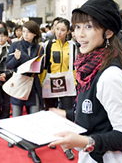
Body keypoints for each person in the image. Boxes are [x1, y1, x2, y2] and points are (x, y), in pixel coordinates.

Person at [49, 0, 122, 163]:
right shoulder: (88, 67)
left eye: (88, 26)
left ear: (108, 32)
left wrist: (84, 141)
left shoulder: (110, 75)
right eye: (77, 26)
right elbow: (96, 113)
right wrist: (65, 114)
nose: (79, 34)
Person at [6, 20, 44, 163]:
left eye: (28, 32)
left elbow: (39, 68)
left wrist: (21, 57)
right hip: (18, 84)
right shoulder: (15, 45)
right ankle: (13, 137)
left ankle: (31, 149)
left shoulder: (40, 48)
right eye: (23, 31)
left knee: (33, 119)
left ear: (35, 34)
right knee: (16, 116)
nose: (25, 34)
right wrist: (16, 60)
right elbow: (9, 65)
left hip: (33, 85)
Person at [42, 18, 77, 160]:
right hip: (51, 81)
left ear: (68, 31)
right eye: (57, 29)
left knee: (66, 114)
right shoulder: (48, 44)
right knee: (51, 112)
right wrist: (41, 84)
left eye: (63, 30)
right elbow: (44, 65)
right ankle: (52, 138)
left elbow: (75, 66)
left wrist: (75, 83)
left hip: (68, 82)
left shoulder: (73, 45)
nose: (59, 32)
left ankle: (66, 145)